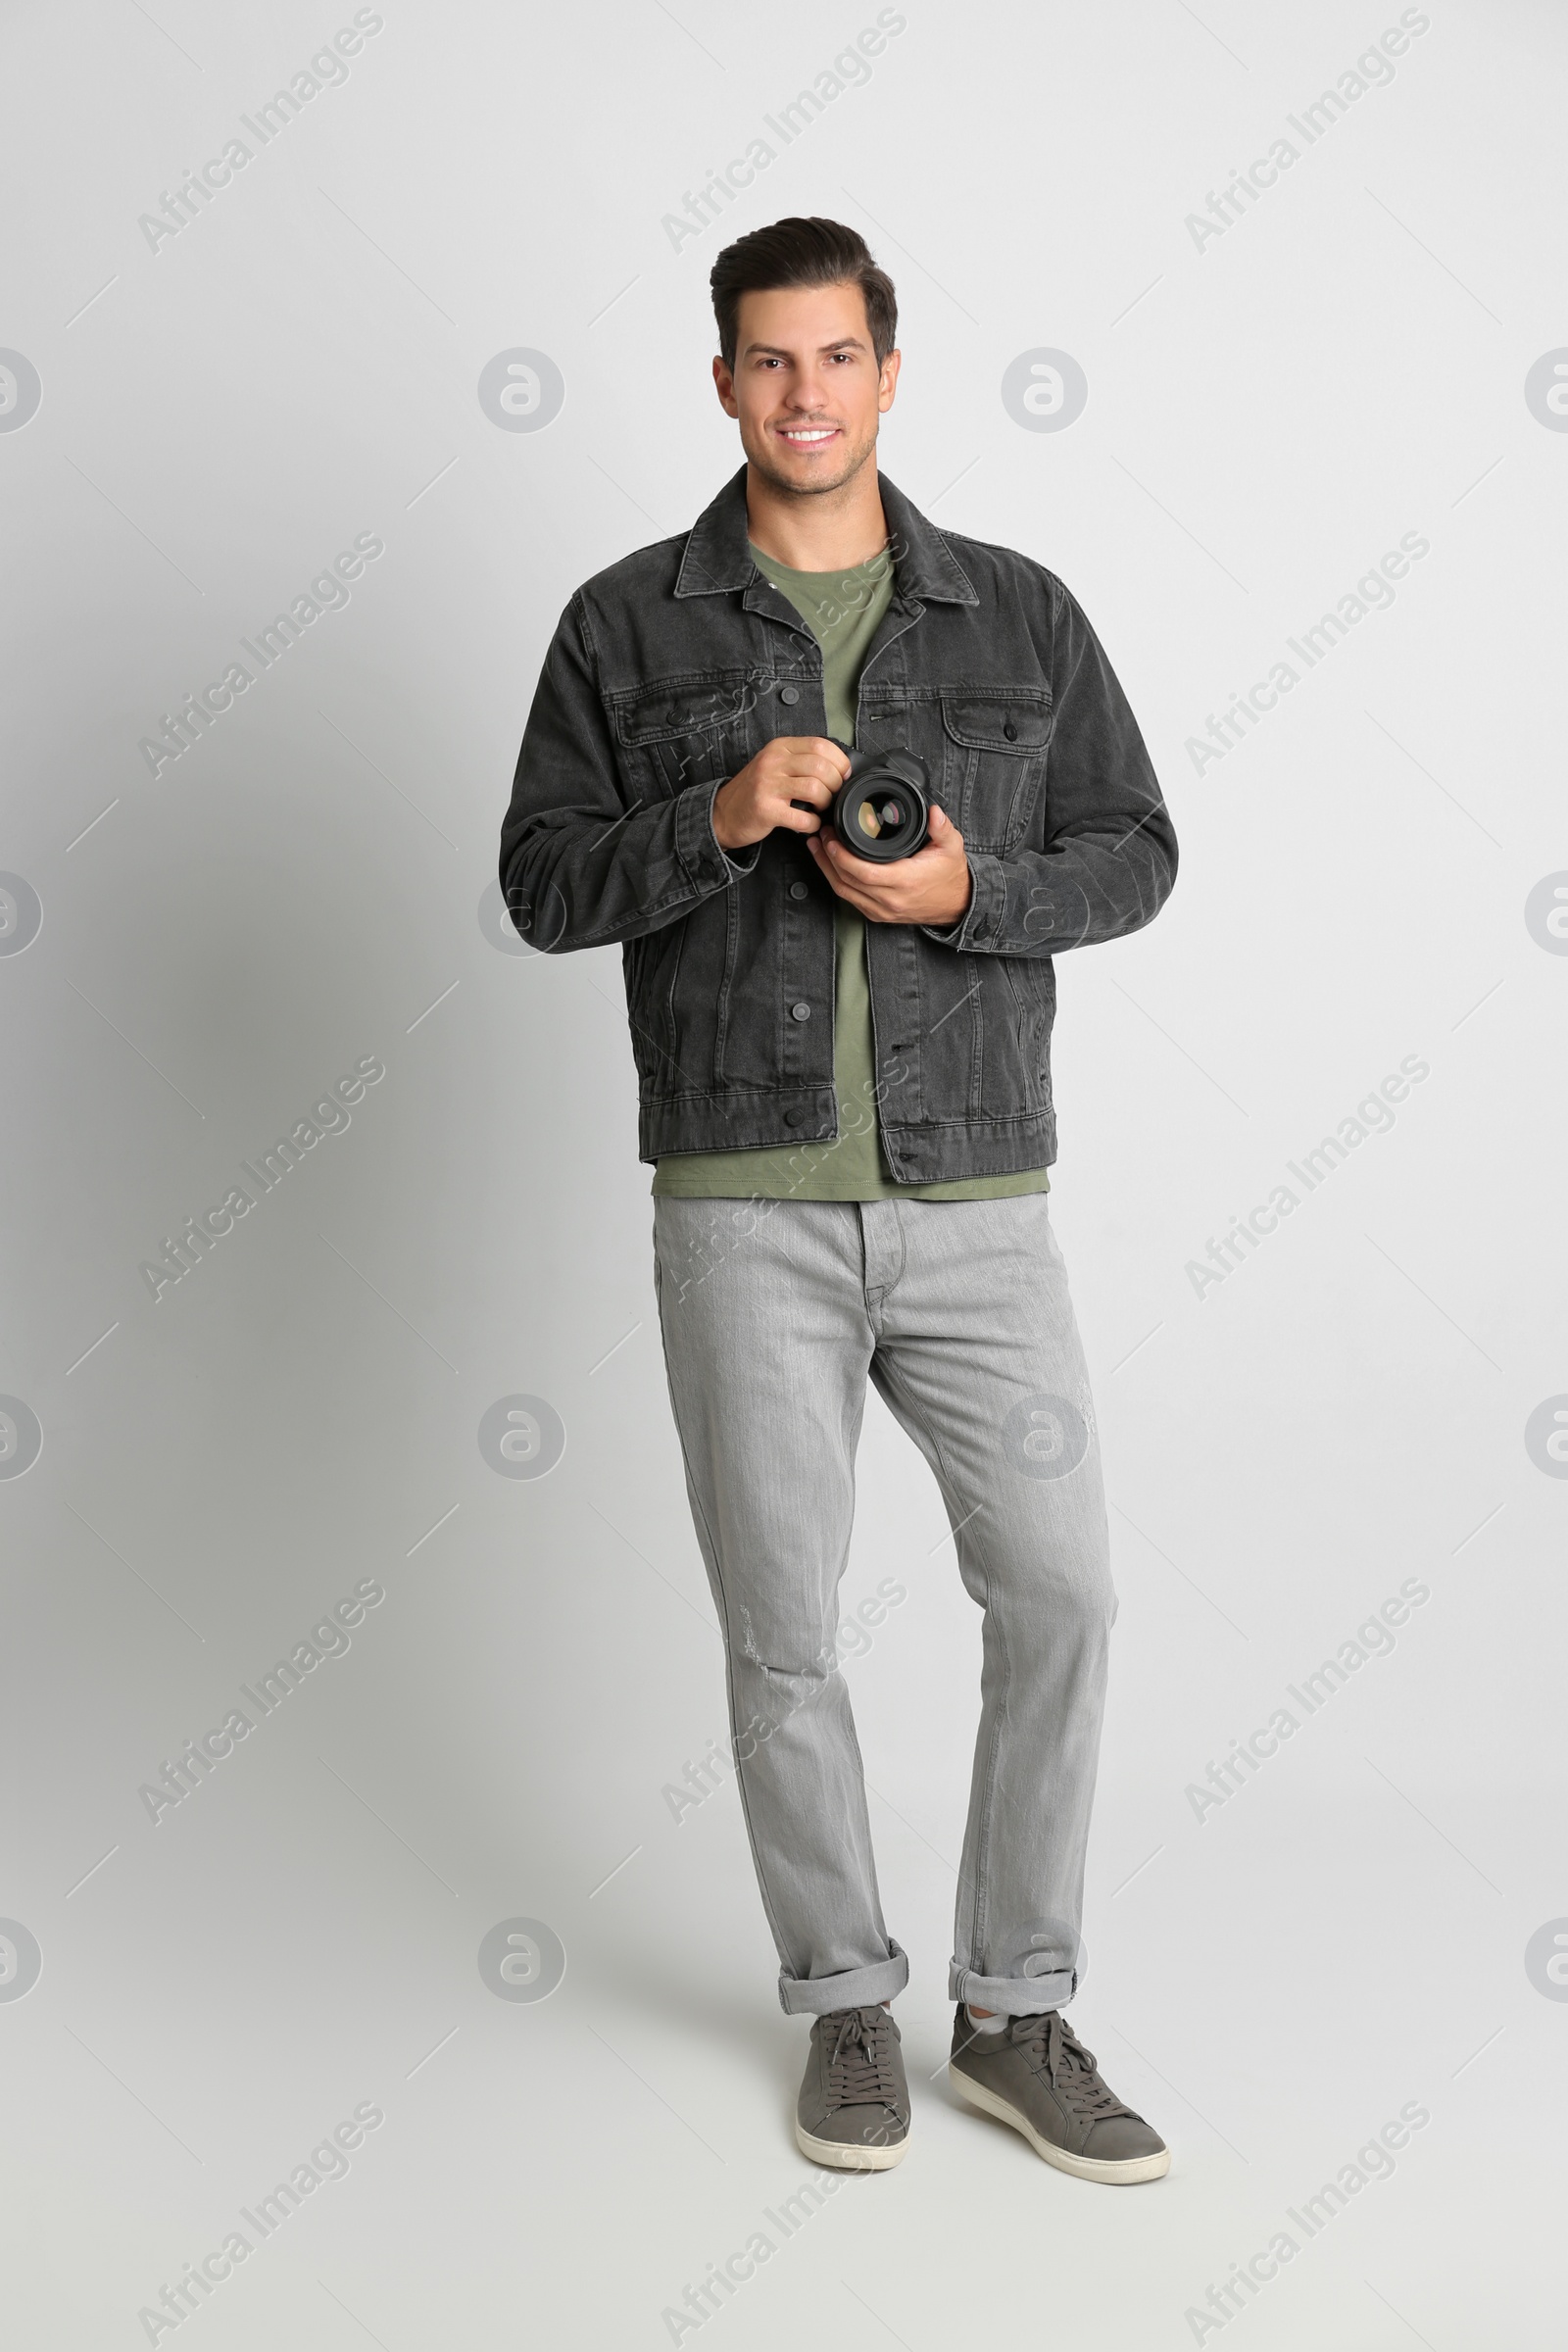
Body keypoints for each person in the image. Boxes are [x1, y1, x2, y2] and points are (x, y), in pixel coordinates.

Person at [500, 216, 1178, 2184]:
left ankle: (1015, 2007)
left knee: (1061, 1588)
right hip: (741, 1202)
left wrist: (976, 892)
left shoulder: (1014, 613)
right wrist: (716, 817)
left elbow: (1131, 849)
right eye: (764, 362)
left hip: (975, 1196)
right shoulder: (626, 624)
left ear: (890, 373)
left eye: (834, 358)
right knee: (782, 1632)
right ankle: (842, 2008)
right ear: (721, 382)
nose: (801, 395)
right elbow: (545, 882)